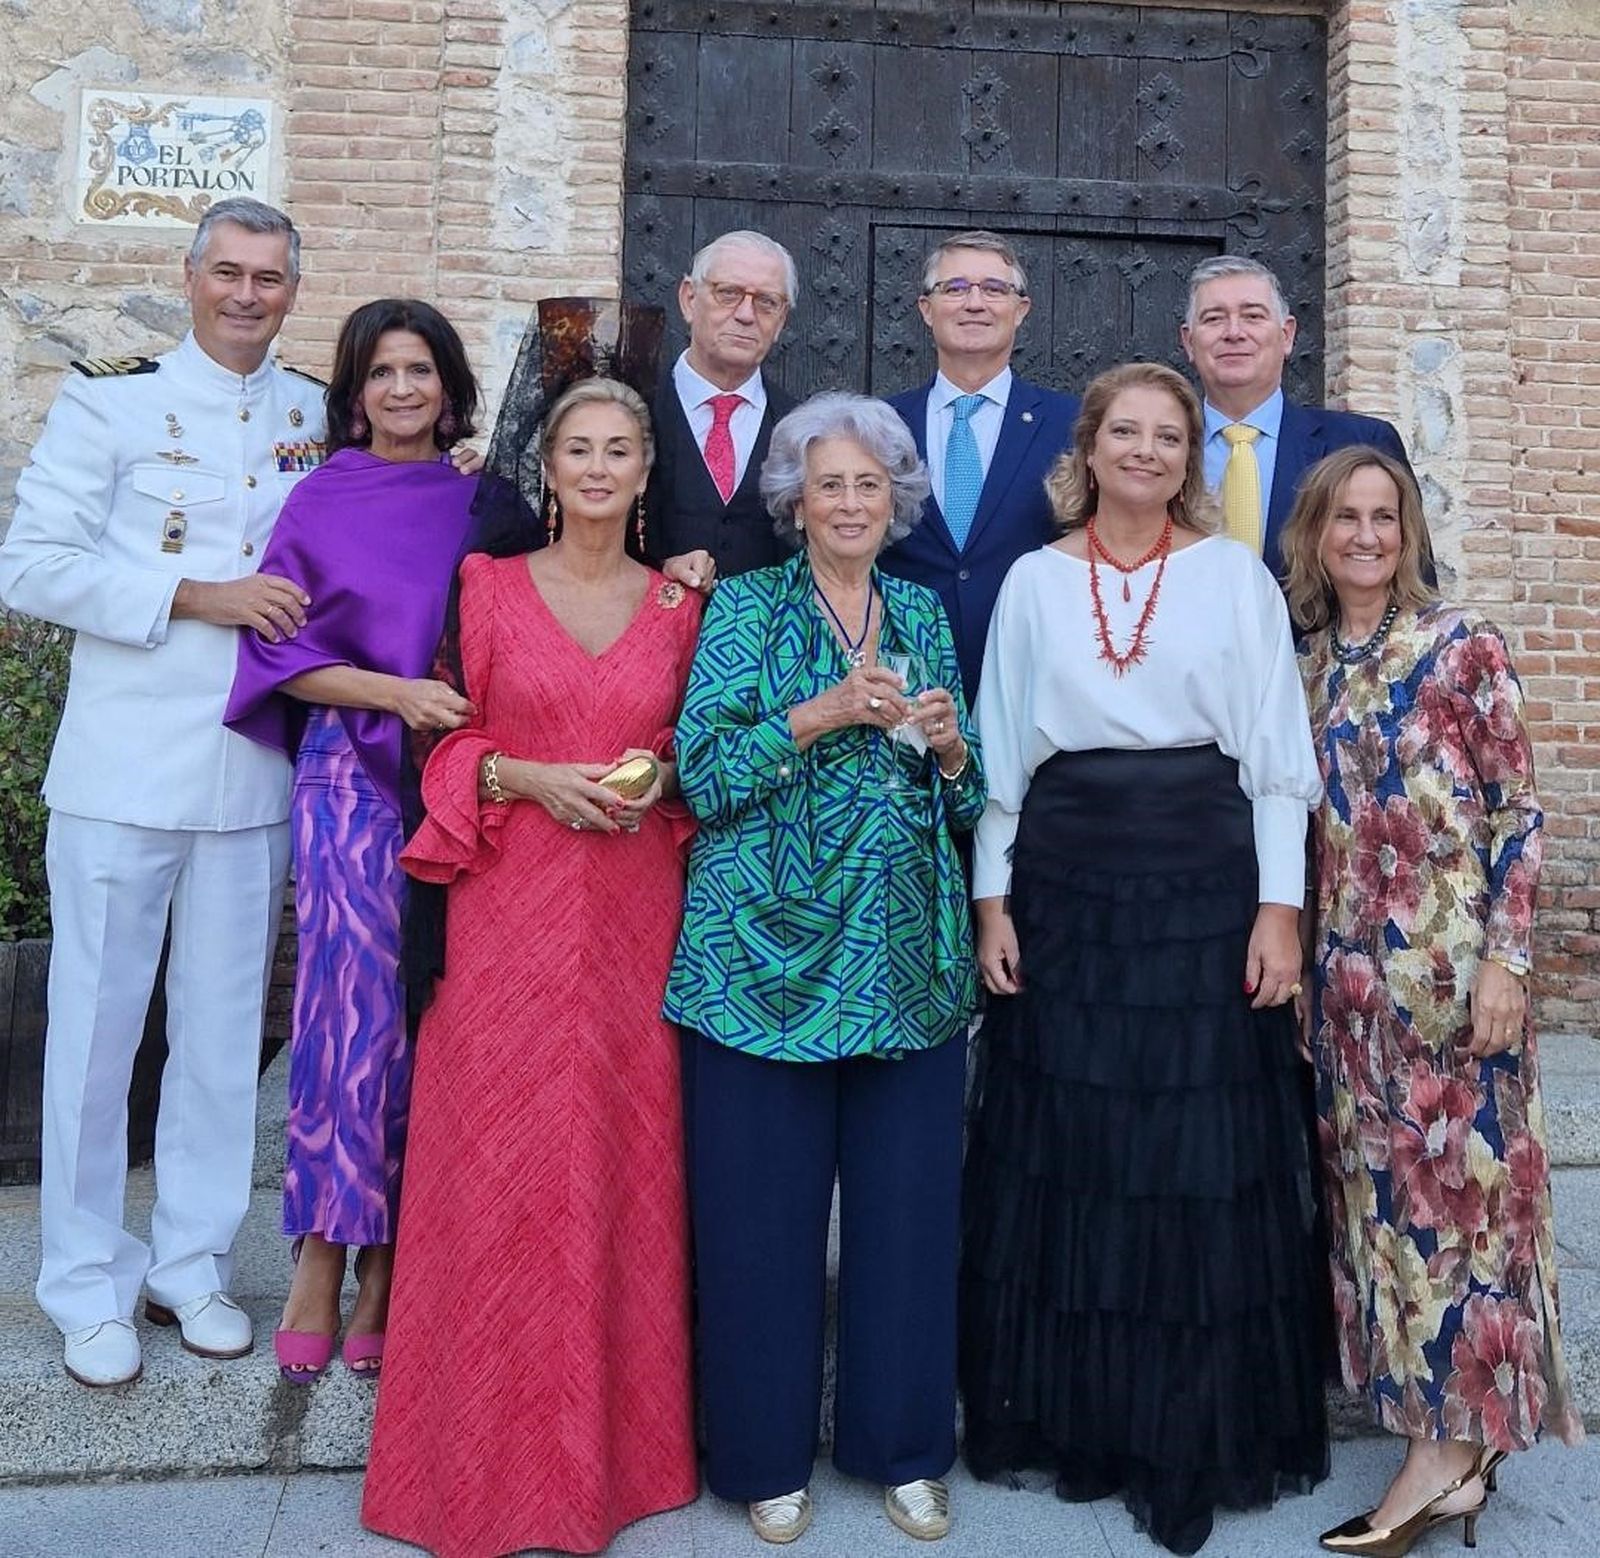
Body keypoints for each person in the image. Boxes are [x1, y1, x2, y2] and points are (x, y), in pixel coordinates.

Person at [959, 362, 1330, 1554]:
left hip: (1202, 884)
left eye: (1169, 436)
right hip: (1065, 887)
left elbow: (1276, 749)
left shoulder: (1234, 577)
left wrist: (1280, 910)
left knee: (1189, 1153)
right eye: (1126, 431)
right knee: (1080, 1148)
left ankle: (1184, 1423)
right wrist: (989, 902)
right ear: (1090, 445)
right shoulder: (1028, 582)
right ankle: (1087, 1418)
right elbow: (1002, 754)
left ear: (1189, 457)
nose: (1148, 451)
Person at [361, 378, 702, 1557]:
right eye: (578, 450)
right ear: (546, 470)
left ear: (647, 471)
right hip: (503, 909)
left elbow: (691, 744)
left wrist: (660, 770)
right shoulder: (485, 587)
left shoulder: (681, 603)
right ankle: (463, 1464)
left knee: (622, 1161)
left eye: (619, 450)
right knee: (493, 1160)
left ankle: (622, 1461)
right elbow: (443, 736)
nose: (598, 468)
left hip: (631, 913)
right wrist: (518, 776)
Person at [0, 198, 325, 1387]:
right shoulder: (111, 400)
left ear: (293, 291)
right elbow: (31, 564)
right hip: (125, 769)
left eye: (271, 278)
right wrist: (198, 594)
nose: (248, 294)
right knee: (94, 1032)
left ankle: (191, 1264)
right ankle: (85, 1281)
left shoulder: (312, 416)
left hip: (251, 771)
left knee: (222, 1032)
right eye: (229, 273)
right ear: (190, 279)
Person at [665, 392, 985, 1546]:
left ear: (895, 503)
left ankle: (903, 1450)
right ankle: (760, 1455)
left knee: (908, 1218)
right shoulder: (744, 608)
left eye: (870, 486)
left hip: (904, 962)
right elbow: (699, 773)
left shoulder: (921, 608)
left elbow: (970, 790)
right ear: (794, 504)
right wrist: (821, 713)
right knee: (760, 1222)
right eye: (828, 486)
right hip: (757, 967)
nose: (850, 504)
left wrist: (951, 746)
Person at [1280, 447, 1583, 1555]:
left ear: (1407, 533)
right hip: (1352, 990)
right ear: (1314, 533)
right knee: (1383, 1212)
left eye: (1384, 516)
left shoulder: (1463, 645)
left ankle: (1444, 1451)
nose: (1364, 535)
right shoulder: (1307, 663)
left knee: (1467, 1209)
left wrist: (1508, 961)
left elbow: (1518, 812)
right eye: (1344, 518)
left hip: (1456, 984)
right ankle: (1442, 1428)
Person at [223, 298, 483, 1383]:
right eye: (381, 372)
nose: (402, 390)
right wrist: (394, 691)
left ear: (450, 385)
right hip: (348, 776)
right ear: (353, 390)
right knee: (342, 1014)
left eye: (420, 369)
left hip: (458, 786)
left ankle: (389, 1256)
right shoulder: (317, 498)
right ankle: (322, 1250)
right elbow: (278, 657)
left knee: (429, 1017)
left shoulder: (484, 502)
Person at [881, 230, 1079, 703]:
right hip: (905, 682)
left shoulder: (1073, 423)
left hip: (1035, 678)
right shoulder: (881, 425)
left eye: (994, 289)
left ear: (1021, 310)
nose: (975, 302)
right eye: (955, 288)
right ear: (926, 310)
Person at [1179, 255, 1424, 580]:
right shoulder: (1160, 453)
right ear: (1188, 341)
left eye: (1253, 316)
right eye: (1214, 319)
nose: (1234, 332)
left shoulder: (1361, 443)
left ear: (1288, 335)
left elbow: (1412, 579)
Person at [644, 229, 798, 588]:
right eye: (728, 293)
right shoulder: (631, 409)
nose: (746, 314)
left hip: (765, 638)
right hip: (642, 631)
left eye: (766, 302)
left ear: (782, 321)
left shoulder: (801, 429)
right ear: (688, 299)